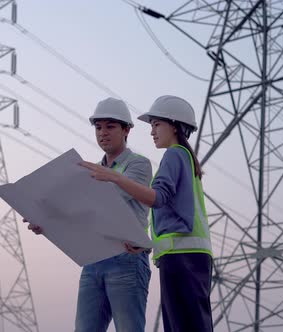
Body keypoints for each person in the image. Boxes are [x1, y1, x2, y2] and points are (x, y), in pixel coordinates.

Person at [81, 95, 213, 332]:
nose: (152, 131)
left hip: (182, 258)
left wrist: (115, 177)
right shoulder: (185, 158)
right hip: (189, 257)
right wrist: (148, 242)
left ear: (174, 125)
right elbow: (178, 216)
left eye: (156, 124)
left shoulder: (174, 154)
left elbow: (158, 198)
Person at [24, 97, 153, 332]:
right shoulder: (90, 171)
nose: (103, 133)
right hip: (94, 262)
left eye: (110, 127)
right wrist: (45, 220)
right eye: (98, 127)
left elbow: (106, 201)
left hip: (127, 260)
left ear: (127, 130)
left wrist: (61, 206)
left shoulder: (138, 164)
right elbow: (82, 215)